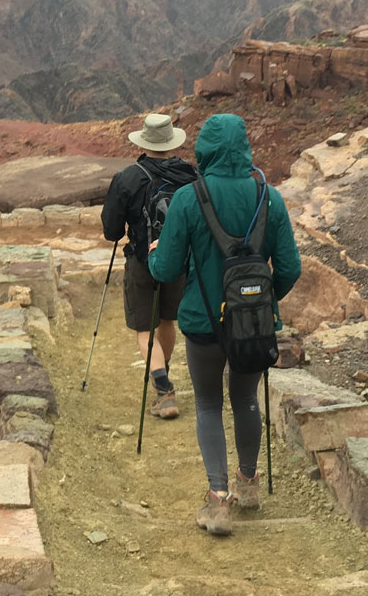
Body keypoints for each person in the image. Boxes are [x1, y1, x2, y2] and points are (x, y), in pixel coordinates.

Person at [148, 113, 301, 537]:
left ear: (205, 150)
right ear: (244, 146)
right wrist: (260, 305)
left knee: (209, 405)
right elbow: (289, 267)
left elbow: (165, 269)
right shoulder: (270, 197)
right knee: (247, 399)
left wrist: (155, 251)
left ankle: (218, 503)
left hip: (201, 323)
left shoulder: (188, 198)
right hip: (253, 325)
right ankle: (248, 486)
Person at [102, 112, 197, 419]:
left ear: (143, 142)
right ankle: (162, 375)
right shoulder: (190, 175)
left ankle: (163, 389)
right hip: (177, 261)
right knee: (168, 320)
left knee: (145, 328)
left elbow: (111, 231)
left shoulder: (128, 178)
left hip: (142, 263)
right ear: (172, 143)